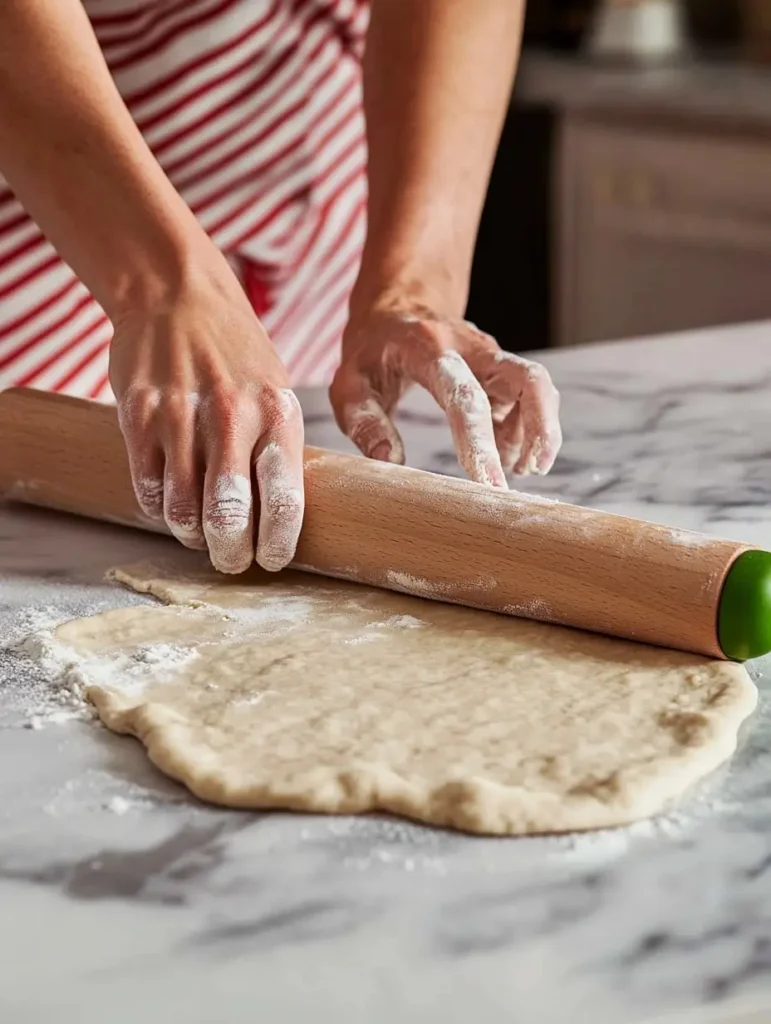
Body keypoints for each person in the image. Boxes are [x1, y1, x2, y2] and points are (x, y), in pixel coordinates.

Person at [0, 0, 561, 575]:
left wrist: (408, 288)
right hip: (55, 149)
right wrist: (163, 285)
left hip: (312, 132)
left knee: (274, 453)